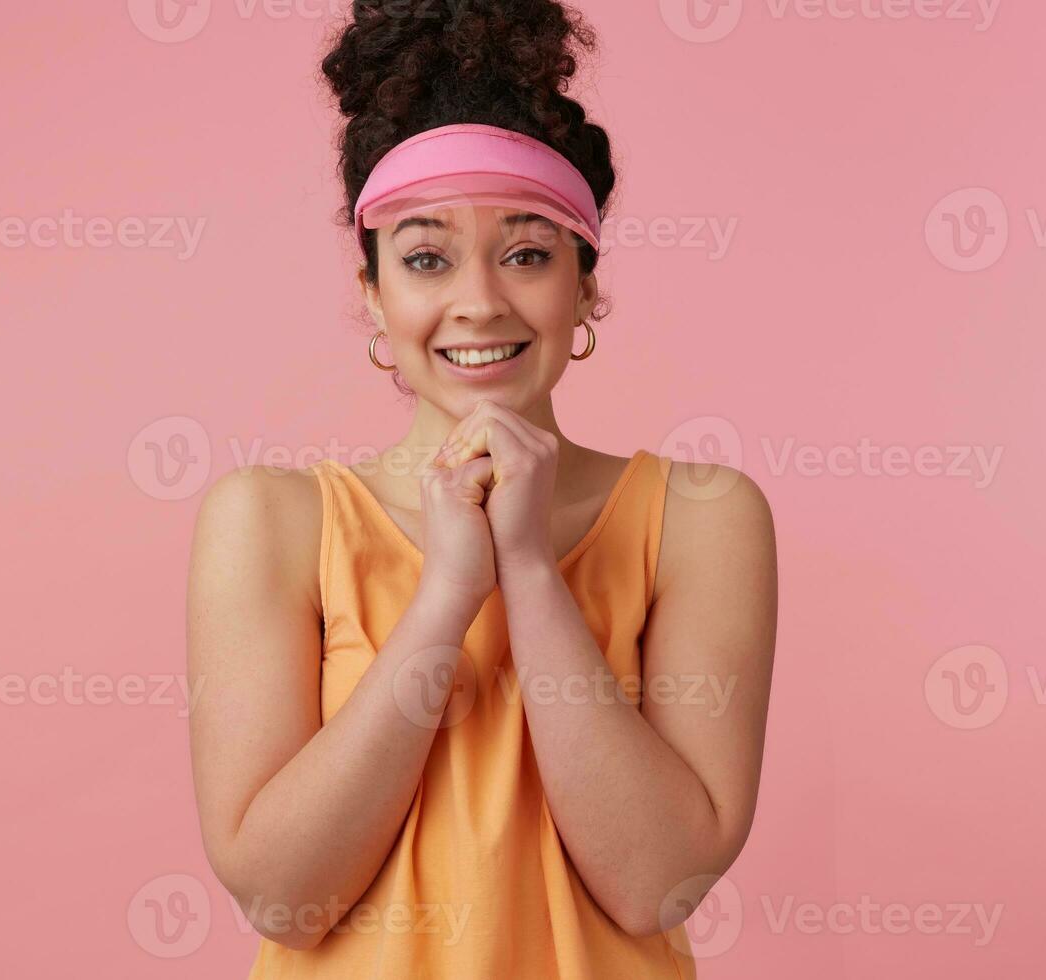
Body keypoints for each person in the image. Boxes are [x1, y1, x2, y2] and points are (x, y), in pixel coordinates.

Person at [185, 2, 777, 976]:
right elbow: (284, 895)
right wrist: (447, 592)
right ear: (373, 294)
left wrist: (533, 568)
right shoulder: (270, 521)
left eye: (528, 253)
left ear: (586, 287)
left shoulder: (702, 519)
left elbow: (655, 879)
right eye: (425, 257)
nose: (480, 300)